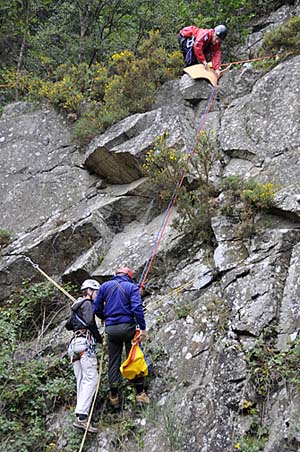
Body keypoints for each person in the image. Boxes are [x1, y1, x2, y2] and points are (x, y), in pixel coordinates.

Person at [93, 267, 149, 408]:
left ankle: (114, 397)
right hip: (128, 327)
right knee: (134, 357)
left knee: (114, 361)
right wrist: (142, 328)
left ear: (116, 275)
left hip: (111, 329)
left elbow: (97, 307)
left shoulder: (105, 287)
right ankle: (140, 394)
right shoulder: (131, 287)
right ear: (129, 276)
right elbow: (137, 308)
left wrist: (104, 317)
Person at [66, 279, 102, 433]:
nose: (97, 296)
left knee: (81, 381)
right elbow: (89, 321)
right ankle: (81, 417)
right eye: (96, 292)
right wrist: (99, 338)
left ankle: (80, 416)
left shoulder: (76, 306)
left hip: (74, 345)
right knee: (91, 379)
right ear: (89, 291)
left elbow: (68, 325)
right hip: (84, 344)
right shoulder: (87, 304)